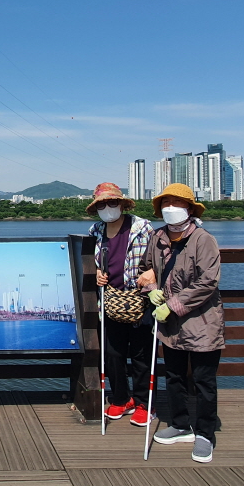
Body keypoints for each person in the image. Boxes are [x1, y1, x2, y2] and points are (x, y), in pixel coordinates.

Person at [137, 183, 223, 463]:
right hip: (169, 325)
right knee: (173, 376)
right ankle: (180, 423)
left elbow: (208, 281)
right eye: (166, 203)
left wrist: (173, 304)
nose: (170, 208)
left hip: (201, 321)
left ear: (189, 208)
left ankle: (205, 434)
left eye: (176, 203)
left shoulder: (203, 239)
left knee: (203, 380)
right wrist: (151, 290)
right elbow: (145, 269)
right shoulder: (158, 237)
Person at [86, 182, 155, 427]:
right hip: (112, 300)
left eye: (112, 202)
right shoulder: (96, 230)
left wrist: (154, 275)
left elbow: (159, 257)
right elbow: (89, 260)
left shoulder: (142, 227)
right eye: (102, 204)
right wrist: (95, 273)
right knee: (113, 353)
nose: (108, 208)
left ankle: (144, 402)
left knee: (141, 354)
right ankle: (120, 398)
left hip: (140, 300)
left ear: (123, 204)